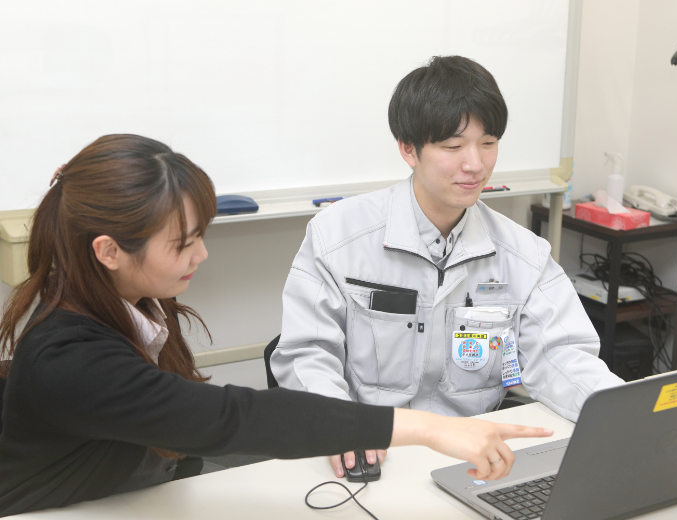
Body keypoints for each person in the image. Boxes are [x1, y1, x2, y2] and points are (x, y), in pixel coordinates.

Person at [0, 134, 552, 517]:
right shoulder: (68, 360)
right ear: (109, 250)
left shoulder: (132, 299)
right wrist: (430, 427)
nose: (202, 255)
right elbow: (231, 417)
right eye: (183, 243)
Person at [269, 56, 625, 478]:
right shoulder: (338, 237)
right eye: (453, 146)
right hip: (373, 452)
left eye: (488, 143)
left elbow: (559, 357)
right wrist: (345, 424)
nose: (475, 164)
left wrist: (625, 418)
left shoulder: (523, 254)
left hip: (474, 457)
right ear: (408, 148)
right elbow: (308, 352)